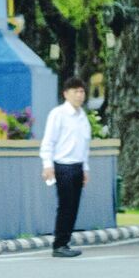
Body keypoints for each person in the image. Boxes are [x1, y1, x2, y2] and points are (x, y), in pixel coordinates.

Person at [41, 77, 93, 258]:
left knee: (74, 206)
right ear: (66, 94)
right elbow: (49, 141)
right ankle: (59, 244)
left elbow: (84, 144)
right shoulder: (58, 114)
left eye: (82, 91)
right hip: (63, 166)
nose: (80, 95)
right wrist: (47, 165)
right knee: (65, 206)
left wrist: (85, 168)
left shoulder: (82, 116)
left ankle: (65, 241)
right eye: (76, 92)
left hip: (77, 166)